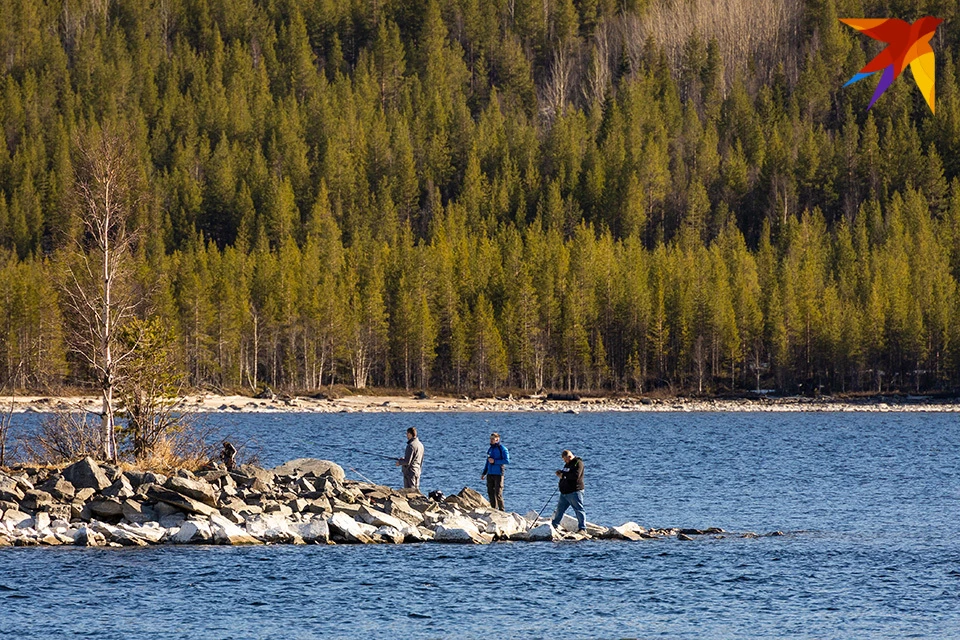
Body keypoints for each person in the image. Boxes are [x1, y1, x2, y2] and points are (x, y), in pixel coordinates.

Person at [551, 449, 586, 532]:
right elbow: (566, 473)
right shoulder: (567, 464)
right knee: (560, 509)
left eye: (565, 460)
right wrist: (560, 473)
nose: (565, 462)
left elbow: (575, 475)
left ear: (569, 457)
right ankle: (554, 525)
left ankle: (582, 528)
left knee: (578, 509)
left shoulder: (578, 463)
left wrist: (563, 476)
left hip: (574, 491)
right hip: (564, 493)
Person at [480, 432, 510, 510]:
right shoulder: (490, 449)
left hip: (498, 473)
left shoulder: (502, 449)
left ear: (497, 439)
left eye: (493, 439)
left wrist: (495, 461)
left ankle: (502, 510)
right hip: (490, 473)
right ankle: (493, 509)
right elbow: (487, 462)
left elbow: (507, 461)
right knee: (490, 492)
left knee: (498, 493)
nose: (491, 440)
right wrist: (484, 473)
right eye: (490, 439)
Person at [395, 427, 424, 491]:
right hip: (417, 471)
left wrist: (399, 462)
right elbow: (420, 460)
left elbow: (407, 461)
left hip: (410, 473)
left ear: (410, 434)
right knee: (416, 490)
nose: (406, 436)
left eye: (407, 434)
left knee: (410, 491)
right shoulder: (421, 445)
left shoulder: (411, 445)